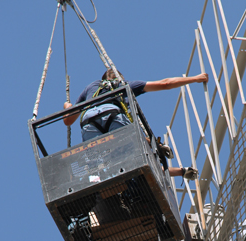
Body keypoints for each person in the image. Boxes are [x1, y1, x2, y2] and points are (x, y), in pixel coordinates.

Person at [63, 68, 209, 180]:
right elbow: (165, 84)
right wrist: (195, 78)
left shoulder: (90, 88)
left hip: (89, 123)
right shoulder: (123, 85)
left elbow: (68, 120)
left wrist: (67, 107)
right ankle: (157, 148)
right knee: (136, 154)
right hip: (113, 116)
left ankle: (99, 191)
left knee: (96, 168)